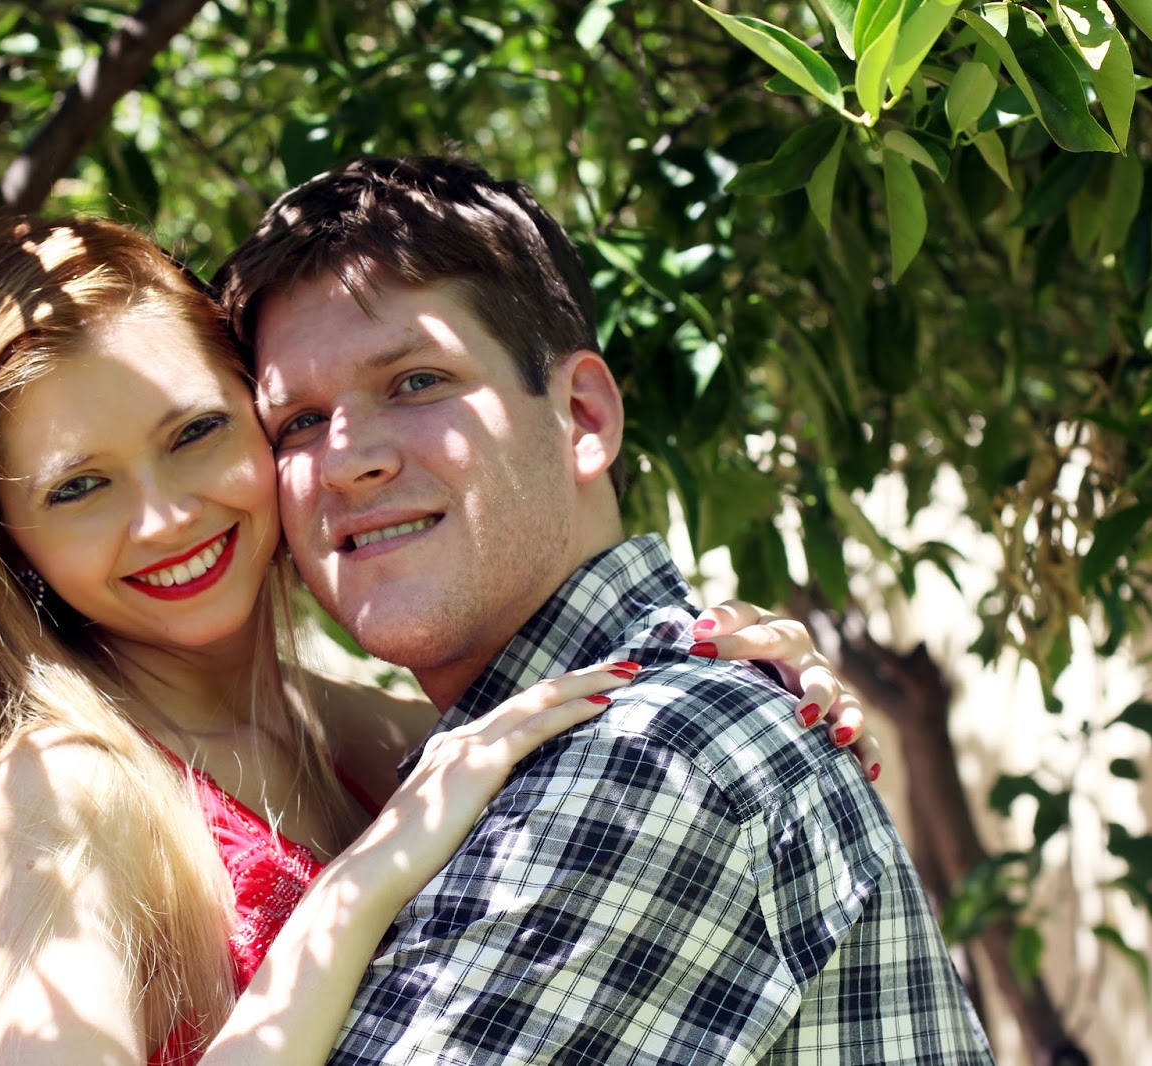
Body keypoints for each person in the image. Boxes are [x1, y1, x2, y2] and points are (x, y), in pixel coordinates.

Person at [0, 216, 868, 1065]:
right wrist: (360, 884)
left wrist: (711, 656)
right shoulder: (68, 785)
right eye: (78, 486)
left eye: (193, 433)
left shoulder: (377, 734)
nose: (165, 518)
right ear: (9, 543)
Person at [211, 154, 995, 1063]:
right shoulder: (495, 760)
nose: (349, 461)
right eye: (299, 423)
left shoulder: (644, 763)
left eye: (417, 381)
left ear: (583, 416)